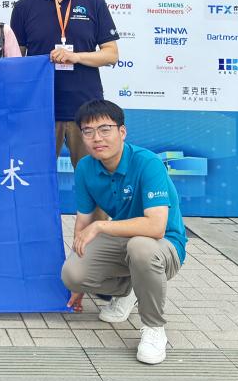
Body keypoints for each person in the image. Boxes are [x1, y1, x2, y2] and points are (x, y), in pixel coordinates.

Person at [60, 99, 186, 365]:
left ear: (122, 131)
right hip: (122, 240)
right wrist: (79, 280)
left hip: (163, 245)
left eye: (105, 129)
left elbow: (155, 227)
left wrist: (101, 225)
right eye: (88, 131)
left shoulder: (147, 163)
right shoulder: (86, 168)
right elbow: (84, 222)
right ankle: (129, 290)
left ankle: (154, 328)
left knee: (140, 246)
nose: (97, 138)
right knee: (71, 274)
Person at [10, 0, 118, 167]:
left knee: (93, 177)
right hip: (40, 108)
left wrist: (76, 56)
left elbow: (111, 54)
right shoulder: (24, 7)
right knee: (35, 175)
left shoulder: (94, 3)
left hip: (86, 109)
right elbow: (15, 59)